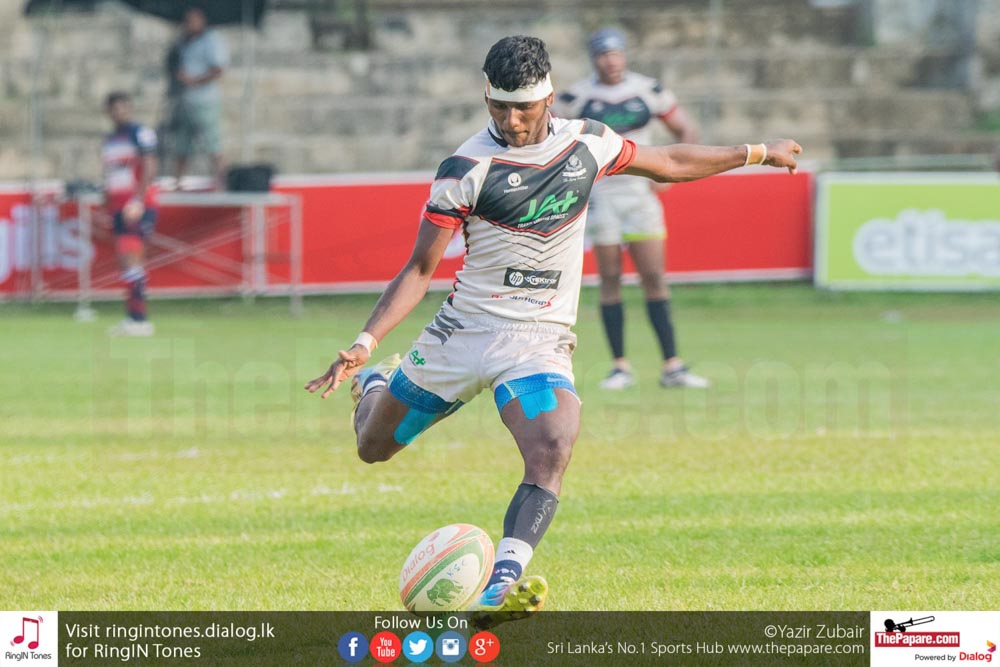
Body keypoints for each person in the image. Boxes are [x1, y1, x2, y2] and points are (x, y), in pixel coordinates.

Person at [305, 35, 800, 626]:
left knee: (553, 444)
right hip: (462, 333)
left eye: (523, 108)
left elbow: (669, 163)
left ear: (547, 98)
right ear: (486, 98)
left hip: (538, 338)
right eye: (499, 107)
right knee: (373, 448)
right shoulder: (465, 169)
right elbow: (419, 269)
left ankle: (501, 583)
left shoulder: (588, 143)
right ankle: (375, 386)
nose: (511, 122)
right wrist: (365, 345)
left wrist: (757, 152)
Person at [554, 28, 708, 390]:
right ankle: (620, 367)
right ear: (593, 58)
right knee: (610, 279)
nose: (611, 60)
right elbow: (553, 140)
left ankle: (673, 366)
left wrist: (668, 177)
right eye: (603, 54)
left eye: (616, 53)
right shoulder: (577, 97)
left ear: (625, 55)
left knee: (654, 278)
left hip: (640, 197)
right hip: (602, 196)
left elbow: (686, 128)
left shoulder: (648, 91)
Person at [101, 91, 158, 337]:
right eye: (114, 108)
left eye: (123, 107)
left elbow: (150, 166)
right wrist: (106, 204)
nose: (119, 112)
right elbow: (110, 174)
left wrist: (138, 200)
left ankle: (141, 320)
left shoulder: (140, 133)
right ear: (108, 111)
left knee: (132, 256)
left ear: (129, 108)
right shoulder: (110, 139)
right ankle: (133, 317)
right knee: (126, 261)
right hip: (117, 206)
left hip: (135, 206)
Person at [167, 5, 228, 189]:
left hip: (205, 100)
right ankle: (178, 182)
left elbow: (218, 69)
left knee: (212, 143)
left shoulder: (211, 40)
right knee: (181, 144)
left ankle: (221, 181)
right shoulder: (184, 42)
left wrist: (193, 80)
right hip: (185, 100)